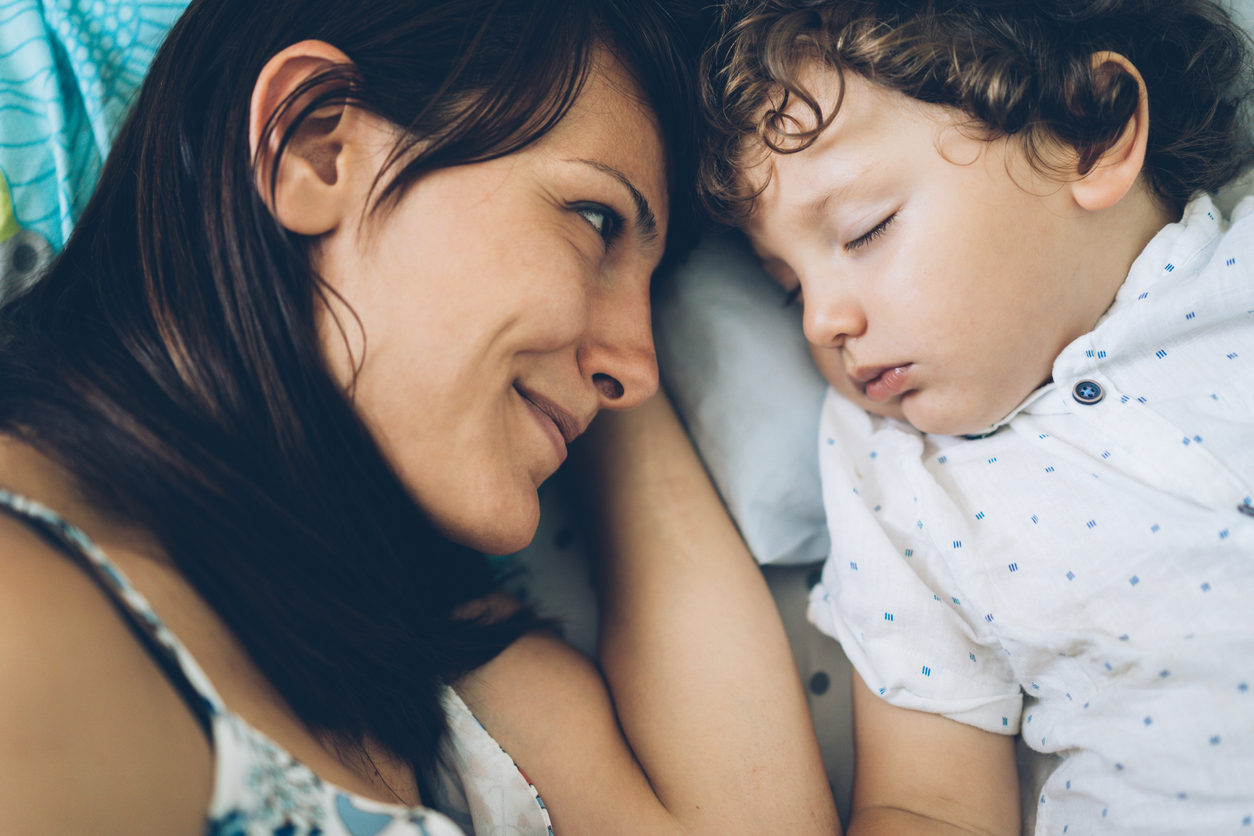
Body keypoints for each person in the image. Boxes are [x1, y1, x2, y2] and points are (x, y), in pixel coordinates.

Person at [0, 0, 842, 833]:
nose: (644, 370)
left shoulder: (448, 668)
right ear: (315, 148)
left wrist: (564, 346)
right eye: (593, 218)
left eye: (651, 295)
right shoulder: (27, 609)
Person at [698, 0, 1254, 833]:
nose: (821, 321)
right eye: (789, 291)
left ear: (1091, 132)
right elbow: (931, 804)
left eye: (865, 229)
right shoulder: (894, 467)